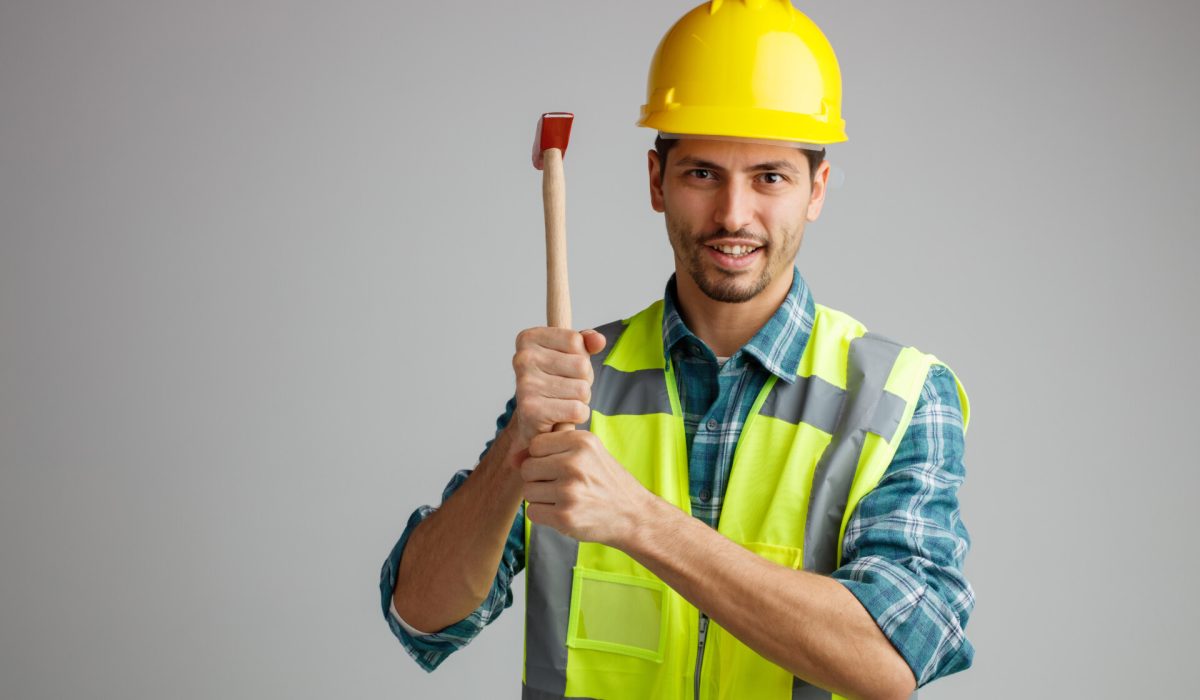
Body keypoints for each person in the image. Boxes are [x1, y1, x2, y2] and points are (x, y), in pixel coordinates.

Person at [380, 2, 974, 698]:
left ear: (816, 189)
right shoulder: (578, 385)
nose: (732, 214)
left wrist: (639, 520)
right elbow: (421, 616)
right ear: (657, 181)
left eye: (769, 177)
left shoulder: (900, 396)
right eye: (702, 174)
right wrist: (517, 446)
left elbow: (892, 659)